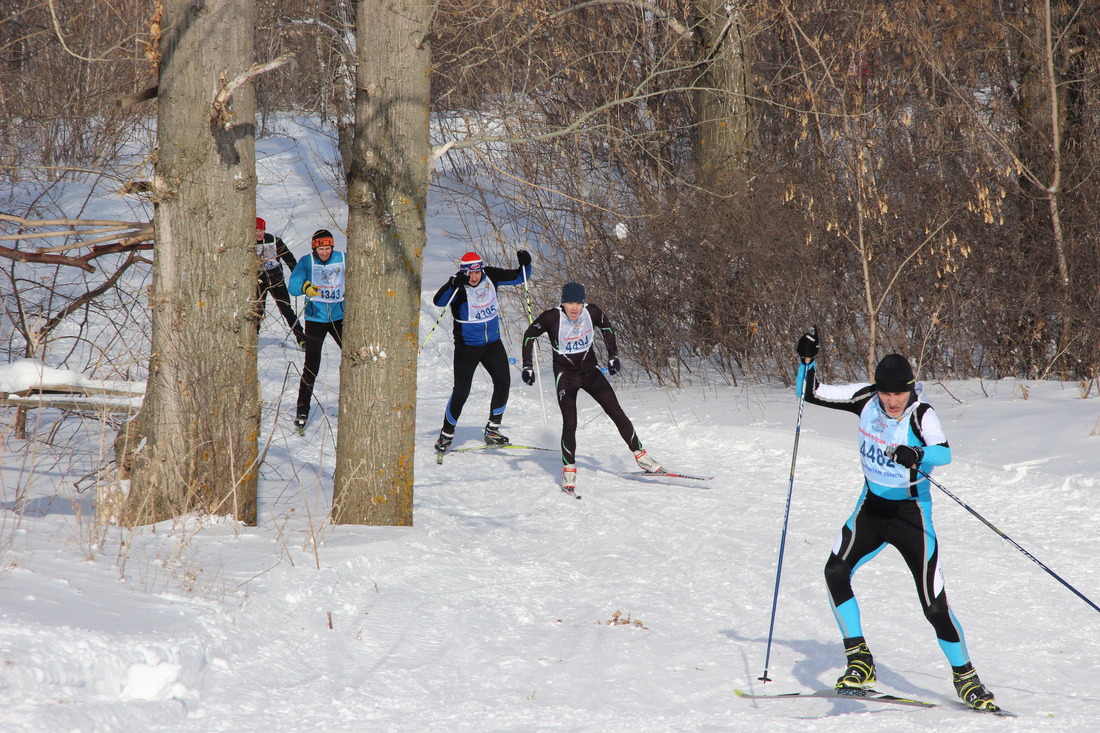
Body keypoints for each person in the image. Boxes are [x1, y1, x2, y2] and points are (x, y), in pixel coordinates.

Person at [794, 328, 998, 712]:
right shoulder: (865, 399)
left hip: (910, 516)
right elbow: (810, 392)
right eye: (886, 392)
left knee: (934, 605)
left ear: (911, 388)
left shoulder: (922, 413)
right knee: (835, 571)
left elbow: (943, 454)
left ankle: (966, 678)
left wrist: (916, 454)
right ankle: (859, 660)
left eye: (898, 393)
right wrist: (807, 362)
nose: (891, 400)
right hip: (871, 509)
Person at [520, 282, 663, 492]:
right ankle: (569, 470)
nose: (574, 308)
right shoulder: (552, 317)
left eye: (578, 302)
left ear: (583, 302)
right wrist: (527, 366)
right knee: (570, 422)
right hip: (565, 376)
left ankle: (642, 456)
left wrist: (613, 355)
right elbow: (529, 336)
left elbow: (607, 328)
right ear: (563, 303)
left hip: (590, 372)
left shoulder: (592, 312)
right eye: (569, 303)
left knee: (616, 412)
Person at [432, 249, 532, 454]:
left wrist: (526, 264)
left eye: (477, 272)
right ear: (464, 272)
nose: (475, 276)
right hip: (467, 346)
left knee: (503, 381)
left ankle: (493, 429)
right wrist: (452, 284)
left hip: (492, 343)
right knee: (461, 392)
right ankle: (446, 434)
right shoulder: (458, 285)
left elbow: (520, 277)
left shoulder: (491, 275)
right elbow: (439, 301)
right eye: (470, 273)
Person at [287, 229, 345, 430]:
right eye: (321, 248)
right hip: (315, 318)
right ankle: (302, 410)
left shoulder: (343, 258)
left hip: (340, 317)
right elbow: (292, 286)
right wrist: (305, 288)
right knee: (311, 366)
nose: (325, 252)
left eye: (328, 248)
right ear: (314, 248)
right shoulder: (306, 262)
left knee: (353, 356)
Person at [255, 217, 305, 348]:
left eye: (261, 230)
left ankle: (301, 338)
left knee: (286, 310)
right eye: (256, 230)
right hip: (258, 282)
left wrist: (297, 273)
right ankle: (252, 339)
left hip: (276, 279)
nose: (259, 233)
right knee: (257, 312)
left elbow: (289, 258)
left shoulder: (274, 241)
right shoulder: (248, 244)